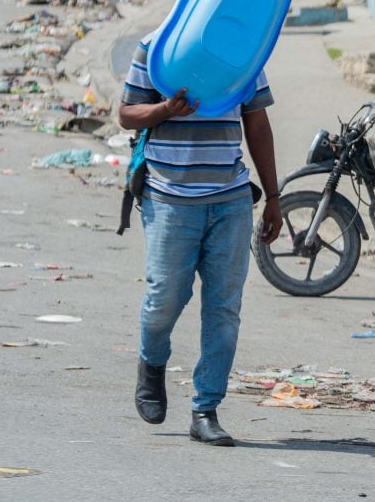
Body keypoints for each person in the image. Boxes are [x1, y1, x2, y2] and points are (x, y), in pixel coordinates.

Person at [119, 36, 282, 447]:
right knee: (164, 299)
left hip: (230, 198)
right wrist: (164, 110)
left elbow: (257, 121)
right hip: (169, 198)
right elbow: (126, 114)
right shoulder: (156, 47)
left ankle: (205, 409)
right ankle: (152, 365)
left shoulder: (245, 46)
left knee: (224, 310)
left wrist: (274, 198)